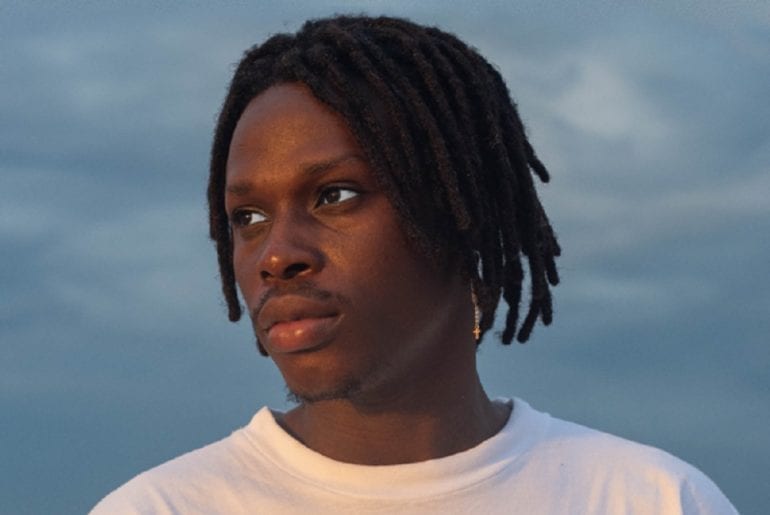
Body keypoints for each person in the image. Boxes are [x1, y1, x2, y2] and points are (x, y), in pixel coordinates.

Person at [91, 15, 737, 514]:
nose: (277, 254)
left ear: (461, 214)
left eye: (334, 195)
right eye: (248, 217)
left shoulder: (650, 499)